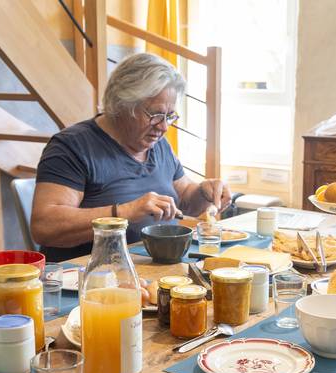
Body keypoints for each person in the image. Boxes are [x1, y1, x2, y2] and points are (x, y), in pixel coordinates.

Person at [31, 53, 231, 261]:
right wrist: (125, 212)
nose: (163, 127)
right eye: (155, 114)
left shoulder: (158, 145)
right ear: (122, 104)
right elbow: (44, 226)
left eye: (169, 116)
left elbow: (185, 201)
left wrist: (205, 192)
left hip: (153, 272)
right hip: (88, 281)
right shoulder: (72, 147)